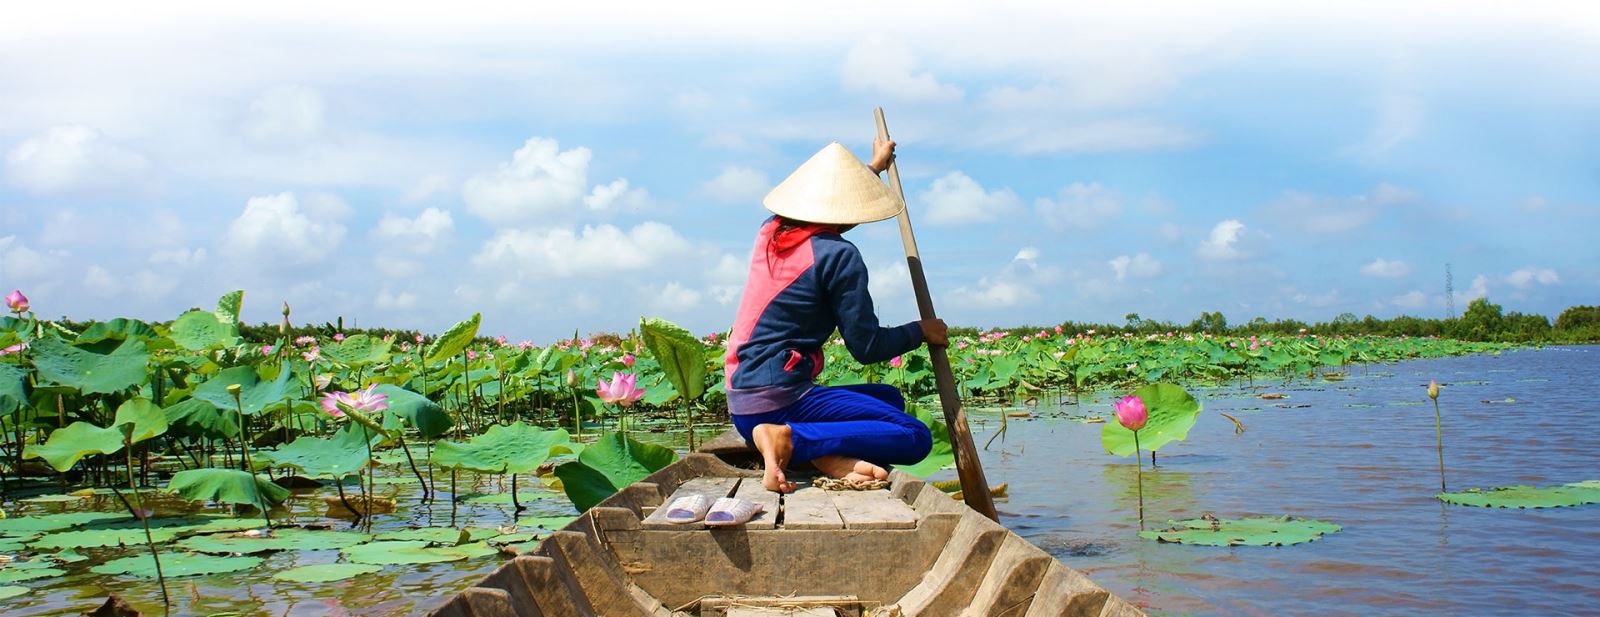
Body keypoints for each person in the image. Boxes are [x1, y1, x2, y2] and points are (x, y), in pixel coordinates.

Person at [723, 136, 945, 493]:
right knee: (914, 434)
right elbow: (867, 346)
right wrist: (921, 330)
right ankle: (792, 441)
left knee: (888, 399)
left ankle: (817, 451)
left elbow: (831, 206)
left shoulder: (770, 231)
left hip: (743, 405)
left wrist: (872, 168)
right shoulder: (839, 256)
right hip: (779, 402)